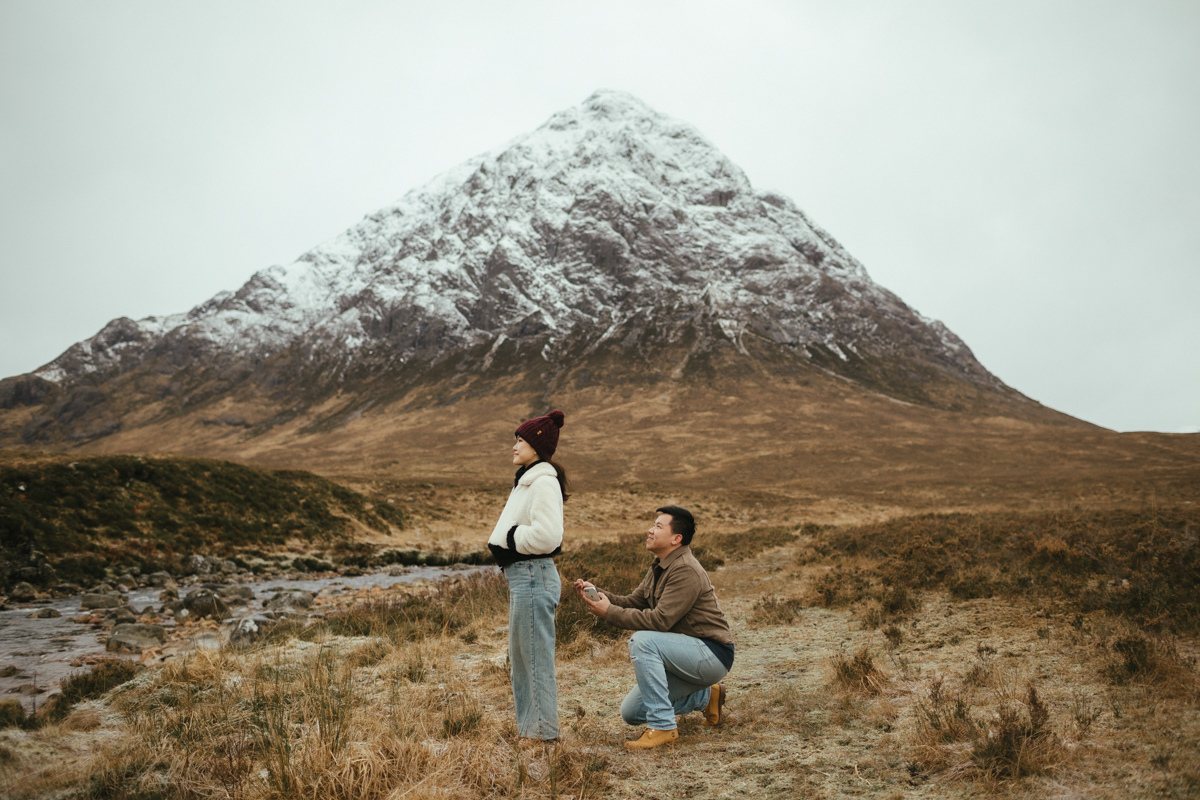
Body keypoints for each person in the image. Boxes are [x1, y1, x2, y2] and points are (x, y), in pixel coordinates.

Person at [574, 506, 734, 750]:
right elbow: (634, 601)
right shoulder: (660, 566)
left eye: (658, 526)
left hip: (711, 653)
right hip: (685, 653)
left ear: (676, 538)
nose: (650, 529)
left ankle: (663, 727)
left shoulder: (685, 569)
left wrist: (610, 613)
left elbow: (660, 621)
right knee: (632, 712)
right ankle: (707, 697)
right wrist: (601, 597)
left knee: (643, 640)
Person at [488, 409, 569, 741]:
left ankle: (543, 739)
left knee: (533, 660)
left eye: (520, 439)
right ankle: (532, 733)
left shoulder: (543, 481)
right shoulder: (529, 478)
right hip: (526, 578)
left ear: (537, 444)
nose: (514, 445)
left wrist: (509, 538)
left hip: (533, 576)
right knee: (523, 661)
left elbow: (549, 536)